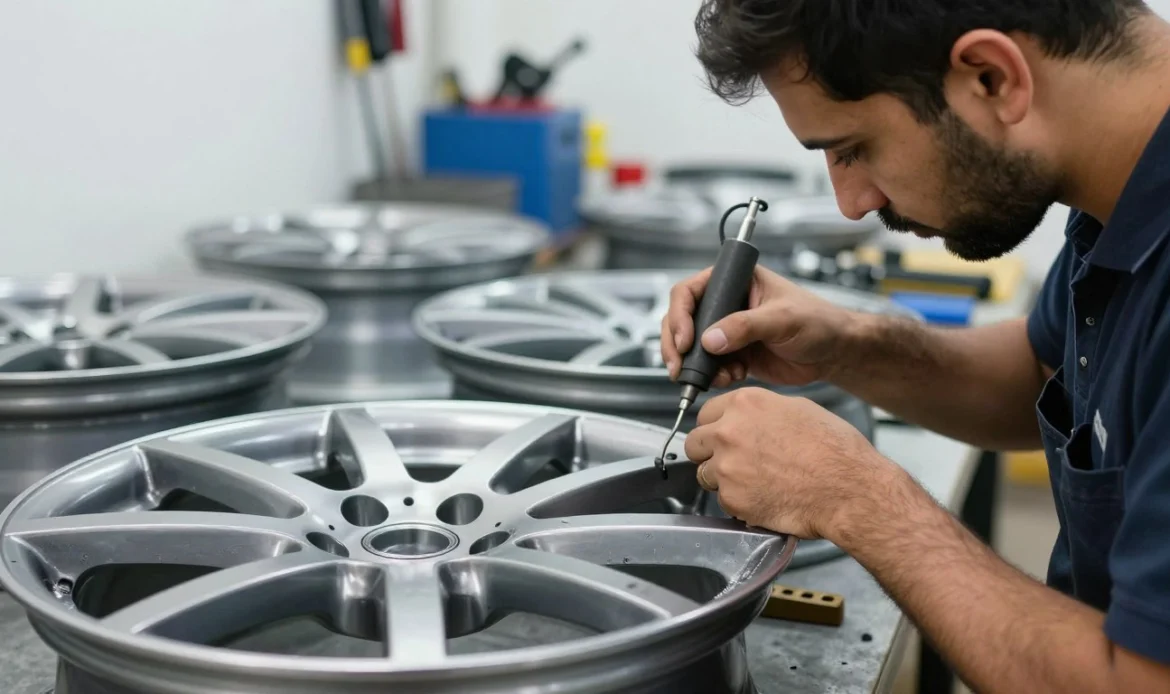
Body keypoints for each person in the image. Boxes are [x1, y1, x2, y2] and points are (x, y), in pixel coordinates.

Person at [660, 0, 1170, 691]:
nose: (852, 202)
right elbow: (1040, 372)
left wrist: (856, 498)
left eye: (852, 148)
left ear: (991, 78)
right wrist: (844, 345)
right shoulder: (1120, 188)